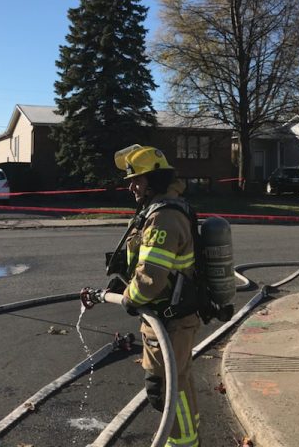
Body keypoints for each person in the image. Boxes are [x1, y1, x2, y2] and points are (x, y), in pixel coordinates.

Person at [112, 144, 201, 447]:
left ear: (155, 179)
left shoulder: (164, 216)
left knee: (169, 386)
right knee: (175, 381)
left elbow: (150, 279)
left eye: (137, 180)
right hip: (166, 318)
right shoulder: (158, 210)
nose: (132, 187)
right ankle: (183, 437)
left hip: (170, 320)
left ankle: (182, 441)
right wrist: (122, 285)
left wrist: (130, 297)